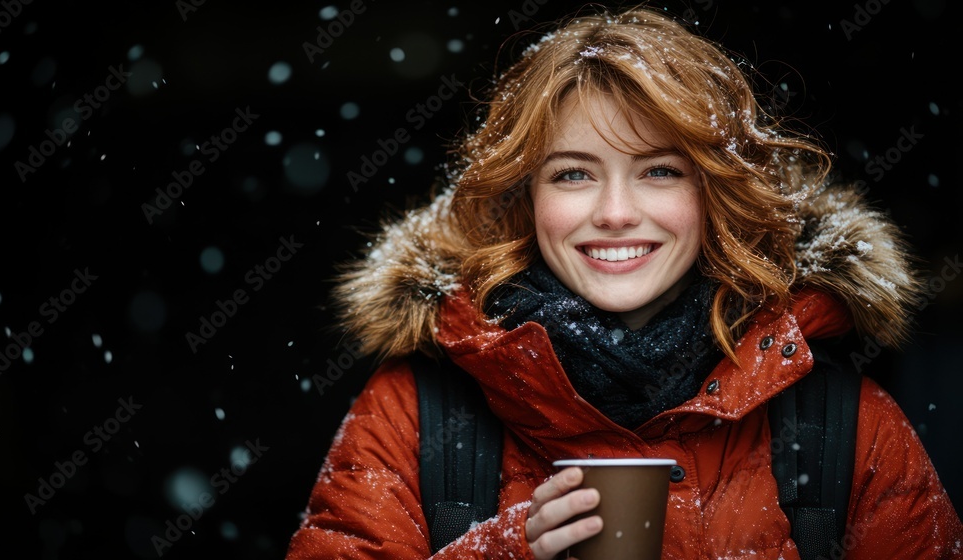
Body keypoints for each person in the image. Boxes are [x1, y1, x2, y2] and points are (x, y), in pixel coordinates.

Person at [286, 4, 962, 558]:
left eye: (659, 171)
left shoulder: (840, 422)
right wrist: (499, 553)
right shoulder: (411, 412)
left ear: (715, 197)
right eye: (573, 174)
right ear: (524, 200)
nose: (614, 214)